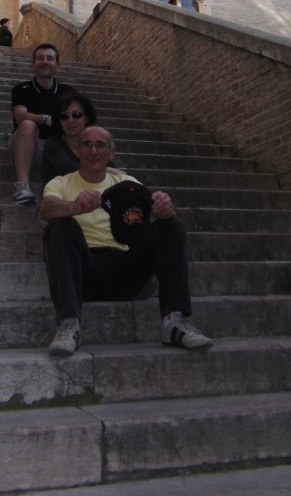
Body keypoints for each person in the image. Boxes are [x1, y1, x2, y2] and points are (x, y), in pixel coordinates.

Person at [39, 125, 212, 357]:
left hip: (126, 272)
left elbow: (151, 209)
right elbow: (45, 209)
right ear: (77, 151)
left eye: (100, 145)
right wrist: (73, 207)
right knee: (59, 224)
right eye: (87, 144)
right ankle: (68, 325)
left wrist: (164, 207)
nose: (93, 151)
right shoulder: (60, 182)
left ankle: (175, 323)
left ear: (111, 153)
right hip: (82, 271)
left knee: (172, 225)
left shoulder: (126, 181)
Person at [9, 43, 74, 205]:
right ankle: (22, 187)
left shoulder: (69, 93)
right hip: (29, 146)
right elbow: (20, 117)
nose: (45, 61)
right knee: (28, 124)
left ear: (57, 66)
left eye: (50, 58)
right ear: (33, 65)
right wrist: (44, 119)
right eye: (40, 58)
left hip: (57, 149)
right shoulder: (22, 89)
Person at [41, 91, 122, 185]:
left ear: (87, 118)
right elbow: (69, 169)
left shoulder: (95, 141)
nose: (71, 121)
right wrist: (106, 170)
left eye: (77, 115)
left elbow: (112, 167)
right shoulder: (52, 145)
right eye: (64, 116)